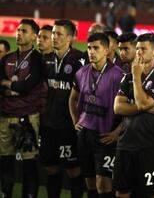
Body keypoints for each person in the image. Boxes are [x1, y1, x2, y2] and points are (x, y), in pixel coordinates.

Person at [113, 33, 154, 198]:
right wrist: (142, 106)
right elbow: (117, 107)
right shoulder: (127, 77)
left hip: (149, 145)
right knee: (122, 193)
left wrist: (137, 77)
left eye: (143, 49)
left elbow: (142, 103)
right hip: (125, 144)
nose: (138, 53)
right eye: (137, 48)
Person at [69, 33, 124, 198]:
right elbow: (72, 99)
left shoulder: (119, 76)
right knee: (90, 182)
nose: (91, 52)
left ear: (106, 50)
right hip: (84, 134)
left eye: (96, 48)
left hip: (105, 136)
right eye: (89, 48)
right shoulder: (81, 72)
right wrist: (75, 121)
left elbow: (129, 109)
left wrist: (117, 131)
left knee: (103, 183)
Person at [0, 19, 45, 198]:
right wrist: (14, 87)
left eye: (24, 31)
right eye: (18, 30)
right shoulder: (7, 58)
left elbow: (28, 87)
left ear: (34, 36)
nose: (19, 33)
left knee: (29, 166)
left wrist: (8, 86)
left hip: (28, 117)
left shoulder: (37, 59)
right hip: (5, 116)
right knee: (5, 163)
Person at [40, 20, 85, 198]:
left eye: (59, 34)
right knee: (51, 167)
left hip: (69, 124)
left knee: (73, 169)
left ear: (70, 38)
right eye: (53, 33)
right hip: (48, 123)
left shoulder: (80, 59)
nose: (54, 37)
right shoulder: (45, 59)